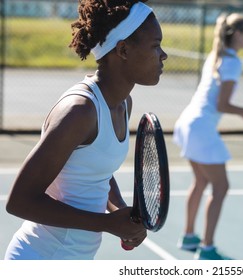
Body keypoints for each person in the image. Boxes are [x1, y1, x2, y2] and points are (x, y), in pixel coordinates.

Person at [4, 0, 167, 260]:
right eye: (156, 45)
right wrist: (107, 223)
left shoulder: (123, 103)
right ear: (123, 49)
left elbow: (96, 171)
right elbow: (20, 201)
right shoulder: (79, 112)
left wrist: (119, 210)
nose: (164, 55)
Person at [173, 13, 243, 260]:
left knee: (201, 182)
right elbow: (223, 104)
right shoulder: (233, 62)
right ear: (237, 34)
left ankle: (189, 236)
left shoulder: (216, 56)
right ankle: (207, 247)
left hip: (188, 123)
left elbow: (216, 102)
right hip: (200, 127)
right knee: (221, 187)